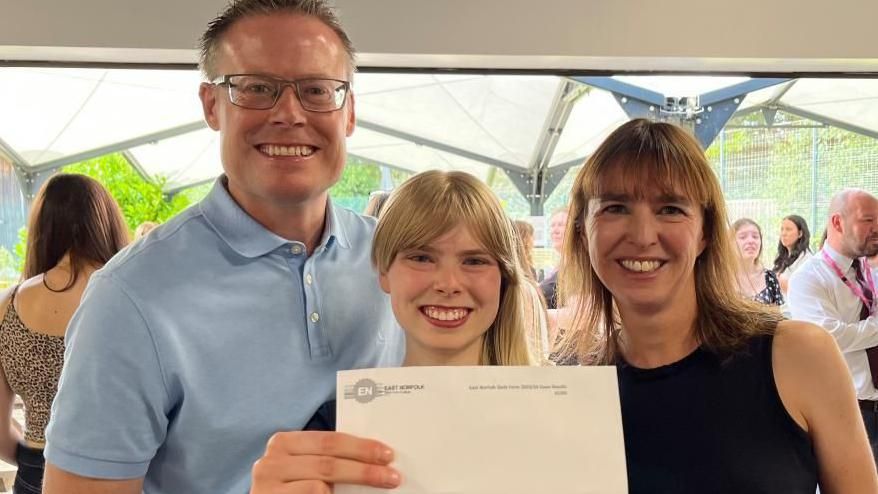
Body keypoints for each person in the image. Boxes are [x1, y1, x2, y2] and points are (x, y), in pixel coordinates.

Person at [42, 2, 403, 493]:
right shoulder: (130, 297)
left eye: (318, 90)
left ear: (350, 112)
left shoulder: (397, 260)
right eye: (256, 88)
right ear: (212, 105)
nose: (290, 114)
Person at [558, 119, 876, 492]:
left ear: (706, 231)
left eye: (670, 209)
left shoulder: (798, 355)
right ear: (582, 230)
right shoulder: (571, 386)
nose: (643, 236)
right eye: (615, 207)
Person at [294, 170, 535, 433]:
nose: (448, 284)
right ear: (383, 270)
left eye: (474, 261)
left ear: (503, 276)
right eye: (422, 258)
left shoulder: (555, 410)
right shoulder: (339, 426)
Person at [0, 174, 128, 494]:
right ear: (107, 222)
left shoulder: (7, 305)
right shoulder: (132, 293)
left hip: (34, 469)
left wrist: (35, 460)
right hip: (119, 468)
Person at [788, 188, 878, 462]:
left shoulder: (869, 271)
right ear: (837, 223)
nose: (877, 228)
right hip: (851, 412)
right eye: (868, 220)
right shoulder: (809, 278)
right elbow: (828, 338)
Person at [731, 218, 784, 306]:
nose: (751, 241)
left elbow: (779, 316)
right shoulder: (720, 279)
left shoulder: (770, 277)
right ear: (730, 243)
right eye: (743, 237)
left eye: (755, 237)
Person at [772, 214, 812, 293]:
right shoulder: (782, 258)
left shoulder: (807, 260)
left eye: (788, 229)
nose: (783, 233)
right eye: (782, 229)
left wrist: (784, 285)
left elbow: (804, 292)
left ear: (800, 233)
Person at [539, 207, 568, 309]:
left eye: (560, 225)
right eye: (552, 225)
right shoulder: (560, 265)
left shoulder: (581, 268)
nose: (554, 230)